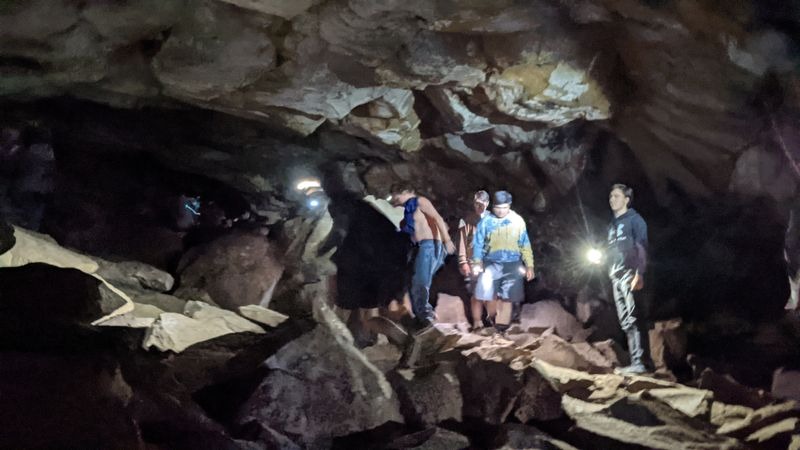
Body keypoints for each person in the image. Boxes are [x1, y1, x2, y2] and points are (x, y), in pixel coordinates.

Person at [389, 184, 456, 330]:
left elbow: (438, 219)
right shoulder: (408, 209)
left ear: (405, 191)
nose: (393, 198)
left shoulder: (420, 201)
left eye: (394, 195)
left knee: (420, 280)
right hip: (420, 247)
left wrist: (447, 240)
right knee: (412, 281)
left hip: (429, 246)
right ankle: (420, 317)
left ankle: (426, 317)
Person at [471, 191, 534, 333]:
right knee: (487, 294)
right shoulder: (486, 222)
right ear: (493, 207)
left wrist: (529, 265)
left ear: (509, 206)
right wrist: (477, 261)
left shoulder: (517, 221)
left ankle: (501, 329)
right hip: (491, 263)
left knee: (508, 297)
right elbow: (478, 243)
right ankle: (491, 318)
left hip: (512, 263)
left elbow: (525, 244)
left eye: (504, 207)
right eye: (498, 208)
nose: (500, 211)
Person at [607, 183, 649, 374]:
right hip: (616, 276)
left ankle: (642, 362)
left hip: (629, 273)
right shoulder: (612, 225)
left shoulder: (635, 220)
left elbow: (641, 246)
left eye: (616, 196)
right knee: (625, 321)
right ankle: (636, 362)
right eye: (611, 196)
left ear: (626, 199)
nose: (612, 199)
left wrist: (639, 273)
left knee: (634, 317)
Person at [457, 190, 491, 330]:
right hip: (473, 262)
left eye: (481, 204)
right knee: (476, 292)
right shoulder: (467, 220)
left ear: (487, 204)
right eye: (476, 204)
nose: (479, 207)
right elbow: (462, 242)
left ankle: (494, 321)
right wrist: (463, 261)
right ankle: (477, 323)